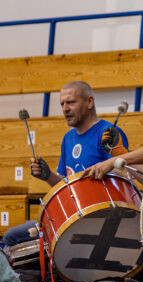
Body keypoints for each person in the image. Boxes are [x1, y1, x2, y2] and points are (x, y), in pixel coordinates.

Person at [3, 81, 129, 247]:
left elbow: (127, 177)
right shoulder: (68, 138)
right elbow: (66, 186)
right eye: (62, 104)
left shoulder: (108, 132)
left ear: (90, 102)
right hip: (70, 216)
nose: (64, 109)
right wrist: (47, 176)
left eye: (71, 102)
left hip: (99, 219)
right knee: (11, 237)